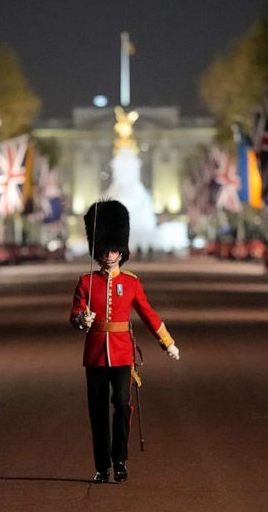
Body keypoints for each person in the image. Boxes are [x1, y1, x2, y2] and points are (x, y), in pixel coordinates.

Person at [69, 199, 180, 484]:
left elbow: (147, 313)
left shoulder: (130, 282)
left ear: (122, 250)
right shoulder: (86, 281)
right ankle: (101, 466)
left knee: (121, 404)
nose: (108, 255)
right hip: (94, 355)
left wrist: (166, 342)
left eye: (113, 249)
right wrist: (83, 319)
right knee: (97, 412)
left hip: (121, 354)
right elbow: (75, 314)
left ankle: (120, 460)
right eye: (104, 249)